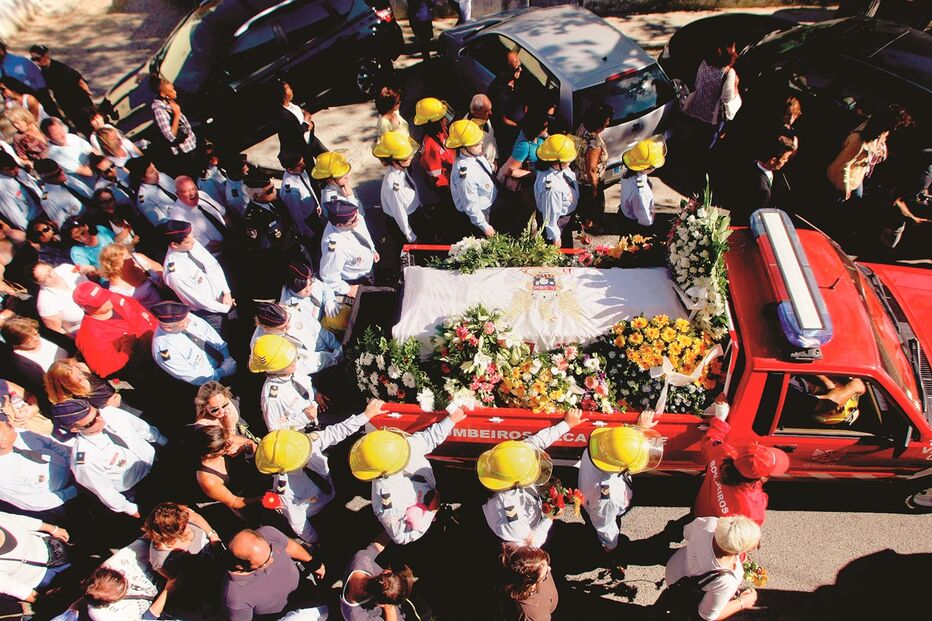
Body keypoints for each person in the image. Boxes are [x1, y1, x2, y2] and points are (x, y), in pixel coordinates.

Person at [254, 399, 387, 544]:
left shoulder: (303, 443)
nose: (307, 452)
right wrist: (316, 540)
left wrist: (366, 415)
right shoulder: (284, 489)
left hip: (333, 485)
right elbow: (298, 523)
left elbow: (337, 431)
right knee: (347, 537)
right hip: (322, 513)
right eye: (301, 457)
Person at [349, 407, 467, 544]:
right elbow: (400, 537)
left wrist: (451, 420)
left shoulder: (401, 447)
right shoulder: (387, 498)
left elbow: (429, 438)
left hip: (430, 492)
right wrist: (430, 512)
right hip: (420, 531)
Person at [479, 409, 587, 548]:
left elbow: (536, 442)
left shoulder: (508, 459)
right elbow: (532, 544)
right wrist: (550, 517)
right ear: (518, 482)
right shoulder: (513, 521)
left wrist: (566, 424)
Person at [50, 398, 167, 517]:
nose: (100, 420)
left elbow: (142, 428)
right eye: (90, 423)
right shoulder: (85, 460)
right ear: (74, 429)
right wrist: (130, 509)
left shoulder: (110, 413)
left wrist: (164, 443)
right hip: (140, 487)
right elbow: (105, 491)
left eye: (97, 414)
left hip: (157, 460)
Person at [693, 400, 790, 526]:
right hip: (717, 533)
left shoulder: (722, 454)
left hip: (701, 510)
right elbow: (747, 533)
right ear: (760, 478)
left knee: (680, 529)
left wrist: (720, 417)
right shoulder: (752, 505)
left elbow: (711, 439)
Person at [580, 411, 664, 554]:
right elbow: (605, 527)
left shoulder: (600, 448)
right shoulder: (607, 499)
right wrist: (611, 546)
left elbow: (620, 442)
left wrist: (640, 431)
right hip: (603, 512)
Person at [662, 515, 761, 621]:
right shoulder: (726, 580)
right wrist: (742, 602)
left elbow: (686, 533)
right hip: (685, 597)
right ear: (737, 550)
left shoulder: (709, 524)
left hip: (675, 567)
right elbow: (706, 616)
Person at [223, 526, 327, 621]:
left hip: (307, 592)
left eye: (270, 552)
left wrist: (313, 563)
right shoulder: (236, 599)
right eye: (264, 563)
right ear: (241, 567)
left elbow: (291, 547)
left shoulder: (269, 533)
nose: (272, 560)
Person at [71, 280, 157, 380]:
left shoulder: (115, 297)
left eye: (103, 295)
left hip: (160, 343)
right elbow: (103, 369)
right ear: (85, 307)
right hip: (147, 369)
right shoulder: (88, 336)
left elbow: (140, 310)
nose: (106, 300)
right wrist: (127, 351)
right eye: (100, 301)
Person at [158, 220, 233, 334]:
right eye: (188, 241)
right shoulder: (174, 273)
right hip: (211, 313)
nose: (193, 242)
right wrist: (226, 308)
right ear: (174, 244)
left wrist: (227, 292)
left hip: (225, 299)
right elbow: (199, 300)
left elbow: (213, 266)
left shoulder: (191, 244)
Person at [241, 170, 307, 299]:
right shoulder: (253, 221)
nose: (275, 191)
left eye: (272, 187)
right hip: (285, 262)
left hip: (295, 249)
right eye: (270, 190)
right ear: (256, 196)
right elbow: (267, 252)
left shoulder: (274, 200)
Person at [826, 105, 911, 202]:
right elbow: (845, 166)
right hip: (842, 179)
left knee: (858, 198)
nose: (891, 132)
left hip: (857, 175)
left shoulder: (880, 132)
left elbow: (880, 145)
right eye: (892, 128)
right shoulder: (859, 141)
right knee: (846, 200)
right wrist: (846, 190)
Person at [0, 414, 77, 518]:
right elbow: (35, 502)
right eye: (8, 427)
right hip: (61, 502)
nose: (12, 425)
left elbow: (53, 445)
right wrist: (74, 490)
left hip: (75, 472)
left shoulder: (22, 434)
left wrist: (72, 465)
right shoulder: (4, 476)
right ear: (2, 443)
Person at [150, 301, 236, 386]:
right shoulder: (163, 349)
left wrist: (227, 358)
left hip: (226, 362)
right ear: (168, 328)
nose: (190, 321)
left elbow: (211, 335)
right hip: (209, 383)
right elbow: (193, 376)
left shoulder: (185, 317)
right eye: (184, 324)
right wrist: (223, 371)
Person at [251, 301, 342, 379]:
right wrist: (335, 358)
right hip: (307, 370)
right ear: (267, 329)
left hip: (321, 349)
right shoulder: (262, 344)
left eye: (288, 321)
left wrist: (339, 347)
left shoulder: (290, 311)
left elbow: (318, 331)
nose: (289, 326)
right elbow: (298, 367)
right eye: (282, 327)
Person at [717, 134, 795, 225]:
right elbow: (752, 219)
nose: (786, 161)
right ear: (773, 161)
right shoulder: (763, 191)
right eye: (785, 159)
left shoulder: (752, 163)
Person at [250, 334, 321, 433]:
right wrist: (305, 417)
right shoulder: (272, 398)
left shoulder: (293, 371)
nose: (294, 361)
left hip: (315, 418)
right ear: (274, 369)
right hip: (300, 432)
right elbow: (275, 430)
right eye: (287, 362)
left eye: (293, 357)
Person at [0, 510, 71, 608]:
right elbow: (16, 588)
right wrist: (52, 604)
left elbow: (20, 520)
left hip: (54, 546)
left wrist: (53, 529)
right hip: (45, 577)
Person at [191, 424, 264, 518]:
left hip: (257, 477)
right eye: (224, 446)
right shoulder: (208, 479)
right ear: (209, 454)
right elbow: (234, 502)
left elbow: (251, 443)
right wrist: (261, 498)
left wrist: (242, 447)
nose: (229, 443)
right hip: (247, 498)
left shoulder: (221, 438)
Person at [341, 536, 416, 621]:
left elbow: (375, 547)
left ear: (386, 572)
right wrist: (389, 608)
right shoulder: (357, 617)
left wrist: (392, 532)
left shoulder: (361, 560)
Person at [682, 42, 740, 151]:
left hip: (695, 111)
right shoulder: (729, 72)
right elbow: (726, 99)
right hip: (712, 119)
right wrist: (736, 86)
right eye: (733, 50)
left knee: (692, 142)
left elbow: (697, 83)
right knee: (706, 146)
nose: (736, 54)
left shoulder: (704, 64)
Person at [142, 501, 221, 580]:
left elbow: (195, 517)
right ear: (168, 534)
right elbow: (181, 581)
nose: (187, 526)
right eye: (182, 528)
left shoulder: (181, 516)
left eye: (186, 521)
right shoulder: (161, 560)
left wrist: (213, 536)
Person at [374, 130, 427, 245]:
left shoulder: (400, 169)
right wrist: (410, 236)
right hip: (406, 222)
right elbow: (399, 213)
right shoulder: (392, 185)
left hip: (414, 212)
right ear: (393, 160)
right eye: (405, 158)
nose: (410, 158)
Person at [447, 119, 497, 238]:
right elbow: (470, 204)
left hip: (488, 204)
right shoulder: (465, 173)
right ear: (463, 149)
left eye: (479, 141)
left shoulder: (475, 155)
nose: (481, 144)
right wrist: (485, 226)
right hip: (479, 216)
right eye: (476, 144)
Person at [319, 199, 379, 298]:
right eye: (353, 220)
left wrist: (372, 250)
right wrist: (347, 289)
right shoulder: (335, 247)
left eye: (357, 214)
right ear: (340, 225)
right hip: (357, 279)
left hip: (368, 267)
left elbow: (364, 233)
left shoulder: (354, 218)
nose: (358, 219)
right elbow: (328, 276)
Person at [29, 45, 94, 134]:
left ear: (46, 55)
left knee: (91, 123)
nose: (37, 62)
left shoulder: (59, 68)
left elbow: (79, 80)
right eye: (34, 60)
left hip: (78, 99)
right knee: (81, 126)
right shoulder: (44, 71)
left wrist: (88, 92)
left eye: (38, 58)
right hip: (65, 103)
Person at [83, 564, 178, 621]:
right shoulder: (104, 616)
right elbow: (147, 618)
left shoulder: (112, 566)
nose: (127, 587)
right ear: (109, 601)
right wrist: (167, 590)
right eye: (121, 591)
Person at [573, 102, 612, 238]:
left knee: (583, 205)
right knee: (592, 207)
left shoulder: (582, 128)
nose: (608, 122)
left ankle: (585, 222)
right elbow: (591, 169)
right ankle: (592, 227)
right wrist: (595, 189)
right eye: (607, 120)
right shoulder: (594, 143)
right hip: (590, 181)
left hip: (579, 176)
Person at [533, 134, 579, 248]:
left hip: (565, 220)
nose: (570, 161)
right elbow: (550, 215)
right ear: (556, 161)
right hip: (557, 225)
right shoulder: (551, 187)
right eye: (567, 159)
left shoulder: (562, 169)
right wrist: (555, 237)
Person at [170, 175, 228, 258]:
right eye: (186, 191)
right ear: (177, 194)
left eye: (193, 188)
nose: (192, 193)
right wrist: (229, 247)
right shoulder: (177, 217)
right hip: (218, 255)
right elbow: (207, 246)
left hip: (232, 240)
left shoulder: (202, 195)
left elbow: (224, 214)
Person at [150, 77, 197, 177]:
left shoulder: (169, 102)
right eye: (171, 91)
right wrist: (177, 114)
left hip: (191, 144)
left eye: (174, 88)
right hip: (185, 152)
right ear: (163, 94)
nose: (175, 92)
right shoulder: (159, 111)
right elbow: (170, 136)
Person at [618, 136, 668, 230]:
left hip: (624, 212)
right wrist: (651, 221)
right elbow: (644, 217)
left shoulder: (628, 174)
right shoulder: (641, 192)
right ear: (647, 168)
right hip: (635, 223)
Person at [497, 545, 557, 621]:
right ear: (530, 582)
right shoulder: (532, 616)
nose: (549, 568)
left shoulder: (524, 561)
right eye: (545, 575)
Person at [98, 243, 165, 308]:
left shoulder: (137, 259)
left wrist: (154, 275)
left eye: (130, 254)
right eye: (127, 257)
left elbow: (158, 268)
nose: (131, 258)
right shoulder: (117, 290)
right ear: (116, 265)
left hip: (167, 299)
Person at [783, 375, 867, 426]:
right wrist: (826, 381)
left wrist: (852, 388)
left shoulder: (798, 401)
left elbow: (829, 404)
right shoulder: (811, 381)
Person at [279, 151, 323, 249]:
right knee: (317, 247)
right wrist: (306, 231)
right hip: (308, 222)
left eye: (303, 161)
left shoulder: (300, 171)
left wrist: (317, 205)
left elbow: (309, 188)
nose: (304, 164)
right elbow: (296, 214)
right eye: (300, 164)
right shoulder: (290, 190)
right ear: (289, 169)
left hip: (314, 214)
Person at [43, 358, 123, 411]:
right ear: (65, 384)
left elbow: (116, 382)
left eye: (79, 373)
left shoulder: (85, 373)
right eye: (76, 378)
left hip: (123, 402)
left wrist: (117, 391)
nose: (81, 377)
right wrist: (108, 408)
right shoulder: (72, 399)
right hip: (112, 415)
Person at [31, 261, 88, 335]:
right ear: (38, 283)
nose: (50, 275)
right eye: (44, 277)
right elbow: (57, 330)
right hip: (84, 331)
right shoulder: (45, 303)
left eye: (49, 271)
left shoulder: (67, 268)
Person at [193, 381, 259, 443]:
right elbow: (227, 445)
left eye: (225, 405)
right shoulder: (205, 427)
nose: (221, 411)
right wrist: (231, 427)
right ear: (204, 407)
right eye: (215, 409)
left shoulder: (233, 402)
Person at [277, 81, 326, 165]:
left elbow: (303, 112)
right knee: (311, 170)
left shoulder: (292, 104)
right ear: (282, 93)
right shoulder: (282, 115)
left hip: (310, 139)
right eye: (288, 88)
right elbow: (296, 132)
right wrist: (307, 122)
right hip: (301, 149)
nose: (292, 90)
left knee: (327, 160)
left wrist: (307, 116)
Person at [33, 158, 91, 227]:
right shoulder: (47, 200)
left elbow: (89, 193)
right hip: (85, 225)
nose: (62, 174)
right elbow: (63, 226)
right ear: (45, 178)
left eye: (61, 170)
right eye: (57, 174)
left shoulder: (68, 178)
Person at [0, 149, 44, 235]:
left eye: (15, 166)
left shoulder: (20, 172)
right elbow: (15, 216)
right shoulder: (2, 189)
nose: (16, 170)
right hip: (34, 222)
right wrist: (33, 234)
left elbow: (37, 190)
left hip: (46, 210)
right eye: (10, 169)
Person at [42, 117, 95, 187]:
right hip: (92, 184)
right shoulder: (54, 156)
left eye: (61, 130)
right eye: (56, 134)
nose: (62, 135)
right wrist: (95, 161)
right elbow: (87, 172)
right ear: (48, 137)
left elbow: (95, 152)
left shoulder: (71, 137)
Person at [415, 97, 455, 190]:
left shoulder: (442, 131)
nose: (446, 119)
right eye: (443, 116)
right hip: (448, 189)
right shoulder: (430, 145)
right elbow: (438, 181)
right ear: (435, 121)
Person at [126, 156, 177, 226]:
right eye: (152, 172)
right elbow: (162, 223)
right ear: (142, 177)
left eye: (155, 168)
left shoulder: (162, 176)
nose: (157, 172)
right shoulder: (144, 199)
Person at [312, 151, 360, 224]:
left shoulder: (339, 184)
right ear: (329, 179)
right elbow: (352, 218)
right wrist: (350, 196)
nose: (347, 176)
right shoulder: (333, 200)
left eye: (346, 172)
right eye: (341, 175)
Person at [465, 93, 498, 168]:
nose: (491, 113)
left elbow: (491, 138)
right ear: (476, 112)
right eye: (487, 111)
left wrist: (496, 157)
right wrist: (490, 167)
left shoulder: (483, 117)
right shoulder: (467, 132)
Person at [219, 152, 251, 216]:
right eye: (244, 169)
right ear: (235, 174)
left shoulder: (236, 179)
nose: (248, 169)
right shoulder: (237, 197)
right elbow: (247, 215)